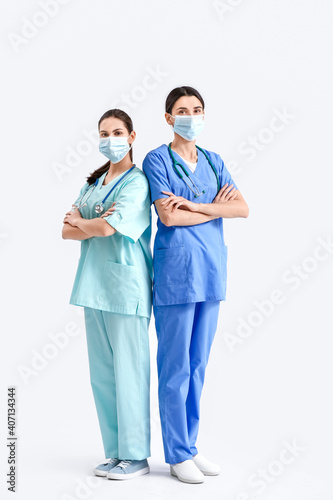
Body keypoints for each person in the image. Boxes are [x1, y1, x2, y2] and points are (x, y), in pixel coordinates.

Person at [142, 86, 249, 484]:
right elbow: (168, 219)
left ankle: (191, 444)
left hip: (211, 271)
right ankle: (176, 453)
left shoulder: (214, 160)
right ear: (169, 118)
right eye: (183, 110)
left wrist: (195, 206)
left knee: (199, 365)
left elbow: (241, 207)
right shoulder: (157, 159)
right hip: (176, 275)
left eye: (197, 109)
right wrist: (211, 208)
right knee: (176, 366)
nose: (191, 115)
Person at [62, 109, 152, 481]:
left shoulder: (137, 183)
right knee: (102, 375)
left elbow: (103, 227)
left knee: (129, 372)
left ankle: (137, 456)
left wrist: (89, 223)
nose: (109, 138)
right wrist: (92, 224)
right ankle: (115, 452)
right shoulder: (94, 182)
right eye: (104, 133)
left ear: (132, 137)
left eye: (117, 132)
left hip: (125, 287)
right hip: (93, 286)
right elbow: (68, 231)